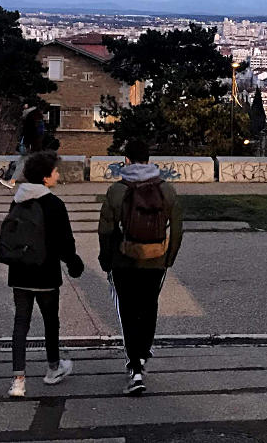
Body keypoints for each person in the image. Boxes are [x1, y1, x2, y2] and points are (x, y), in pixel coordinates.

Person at [98, 138, 183, 395]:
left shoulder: (116, 191)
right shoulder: (166, 190)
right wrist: (169, 257)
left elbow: (105, 230)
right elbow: (177, 229)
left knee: (128, 311)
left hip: (123, 260)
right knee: (148, 308)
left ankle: (134, 368)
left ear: (126, 160)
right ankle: (143, 355)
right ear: (149, 160)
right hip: (156, 259)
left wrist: (106, 258)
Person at [3, 151, 84, 397]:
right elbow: (65, 242)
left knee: (21, 324)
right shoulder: (54, 204)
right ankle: (53, 368)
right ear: (46, 177)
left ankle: (18, 380)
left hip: (19, 272)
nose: (58, 174)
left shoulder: (17, 201)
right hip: (46, 274)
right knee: (51, 322)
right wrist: (74, 263)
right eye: (55, 171)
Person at [0, 105, 46, 189]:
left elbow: (31, 136)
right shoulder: (35, 121)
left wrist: (27, 145)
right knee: (23, 163)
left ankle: (12, 182)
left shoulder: (31, 121)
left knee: (22, 163)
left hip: (31, 148)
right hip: (32, 147)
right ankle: (12, 181)